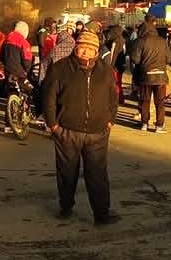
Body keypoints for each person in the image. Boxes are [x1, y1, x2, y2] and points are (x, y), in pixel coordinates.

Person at [42, 30, 119, 225]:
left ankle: (101, 214)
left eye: (90, 49)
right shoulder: (60, 68)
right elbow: (48, 98)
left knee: (98, 175)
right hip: (67, 131)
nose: (86, 52)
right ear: (76, 47)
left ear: (96, 51)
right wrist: (53, 125)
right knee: (67, 173)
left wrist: (110, 120)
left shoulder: (106, 70)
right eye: (82, 47)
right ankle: (66, 206)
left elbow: (113, 97)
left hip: (97, 132)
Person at [130, 21, 171, 133]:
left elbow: (135, 59)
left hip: (145, 76)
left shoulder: (140, 41)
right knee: (160, 102)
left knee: (145, 100)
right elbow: (169, 59)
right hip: (161, 77)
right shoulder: (163, 41)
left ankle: (144, 123)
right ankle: (159, 125)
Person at [0, 21, 34, 133]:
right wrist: (26, 72)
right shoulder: (23, 42)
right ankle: (23, 116)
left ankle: (8, 125)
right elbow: (27, 61)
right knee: (30, 91)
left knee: (11, 95)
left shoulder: (6, 40)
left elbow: (1, 57)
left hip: (8, 73)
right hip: (20, 74)